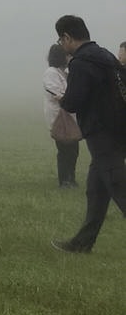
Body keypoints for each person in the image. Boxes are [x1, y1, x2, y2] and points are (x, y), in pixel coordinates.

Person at [51, 16, 126, 253]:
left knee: (119, 187)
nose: (62, 45)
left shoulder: (81, 63)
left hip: (100, 133)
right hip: (118, 128)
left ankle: (81, 244)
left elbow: (73, 102)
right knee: (96, 189)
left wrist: (62, 99)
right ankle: (82, 243)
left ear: (67, 38)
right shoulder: (106, 56)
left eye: (61, 40)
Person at [44, 43, 82, 189]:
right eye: (67, 55)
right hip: (59, 117)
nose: (69, 57)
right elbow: (57, 94)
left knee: (74, 149)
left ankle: (71, 178)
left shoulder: (64, 72)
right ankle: (64, 180)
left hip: (70, 117)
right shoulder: (51, 73)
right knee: (65, 149)